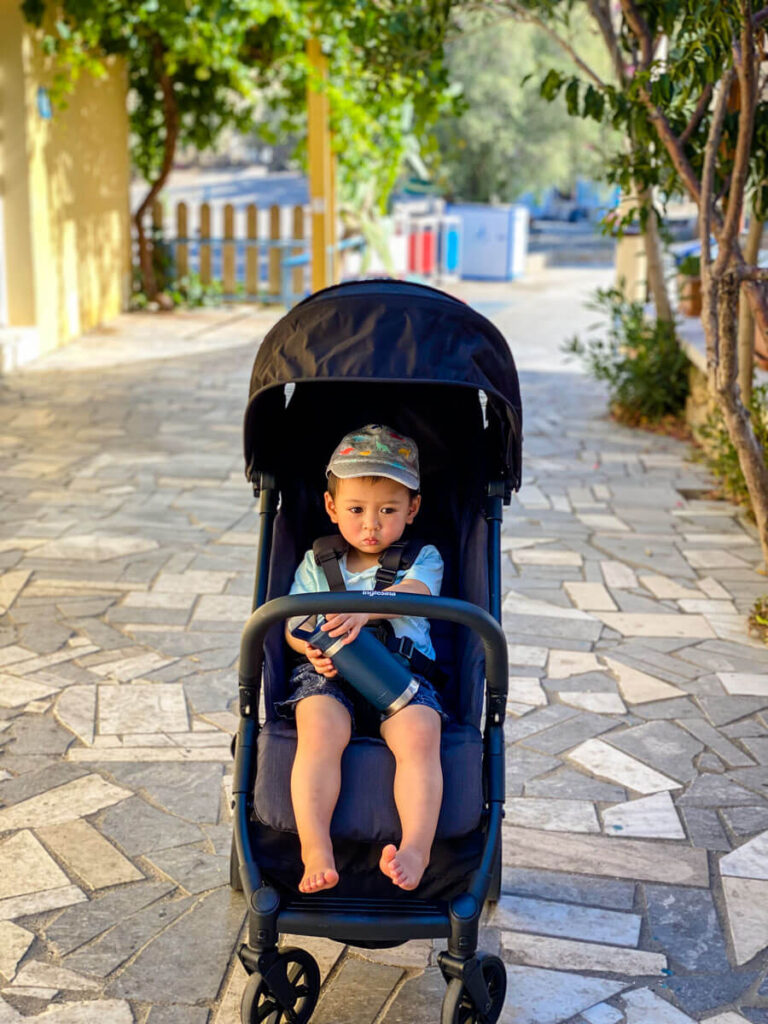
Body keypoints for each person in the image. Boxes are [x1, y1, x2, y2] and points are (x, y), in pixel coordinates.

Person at [280, 424, 446, 895]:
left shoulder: (421, 557)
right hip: (329, 677)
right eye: (356, 510)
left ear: (412, 509)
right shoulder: (318, 563)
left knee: (420, 731)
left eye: (388, 510)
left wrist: (365, 605)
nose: (371, 525)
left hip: (402, 676)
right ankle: (315, 846)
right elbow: (293, 620)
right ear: (332, 508)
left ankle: (416, 847)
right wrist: (306, 646)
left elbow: (416, 592)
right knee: (317, 723)